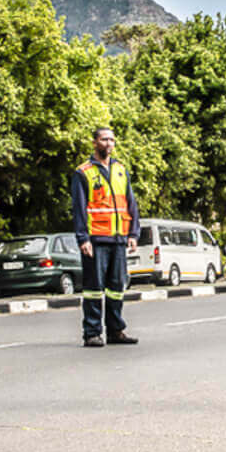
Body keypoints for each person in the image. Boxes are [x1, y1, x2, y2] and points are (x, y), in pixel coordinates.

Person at [70, 126, 141, 347]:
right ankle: (92, 332)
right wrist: (83, 239)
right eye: (103, 139)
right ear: (94, 143)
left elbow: (131, 204)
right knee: (93, 290)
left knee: (116, 288)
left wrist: (133, 233)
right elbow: (79, 208)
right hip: (96, 240)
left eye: (111, 139)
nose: (108, 143)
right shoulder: (83, 172)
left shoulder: (121, 170)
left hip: (119, 239)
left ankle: (115, 330)